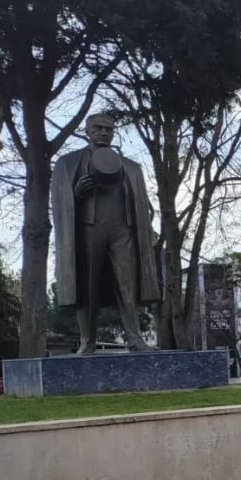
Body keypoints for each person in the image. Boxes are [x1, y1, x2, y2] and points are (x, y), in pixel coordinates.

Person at [51, 113, 160, 353]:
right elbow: (60, 204)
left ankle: (135, 339)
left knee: (127, 286)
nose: (103, 133)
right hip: (89, 231)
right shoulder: (69, 163)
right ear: (87, 131)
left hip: (123, 231)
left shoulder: (132, 168)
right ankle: (87, 342)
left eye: (109, 129)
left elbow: (141, 206)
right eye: (98, 128)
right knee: (86, 288)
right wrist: (77, 192)